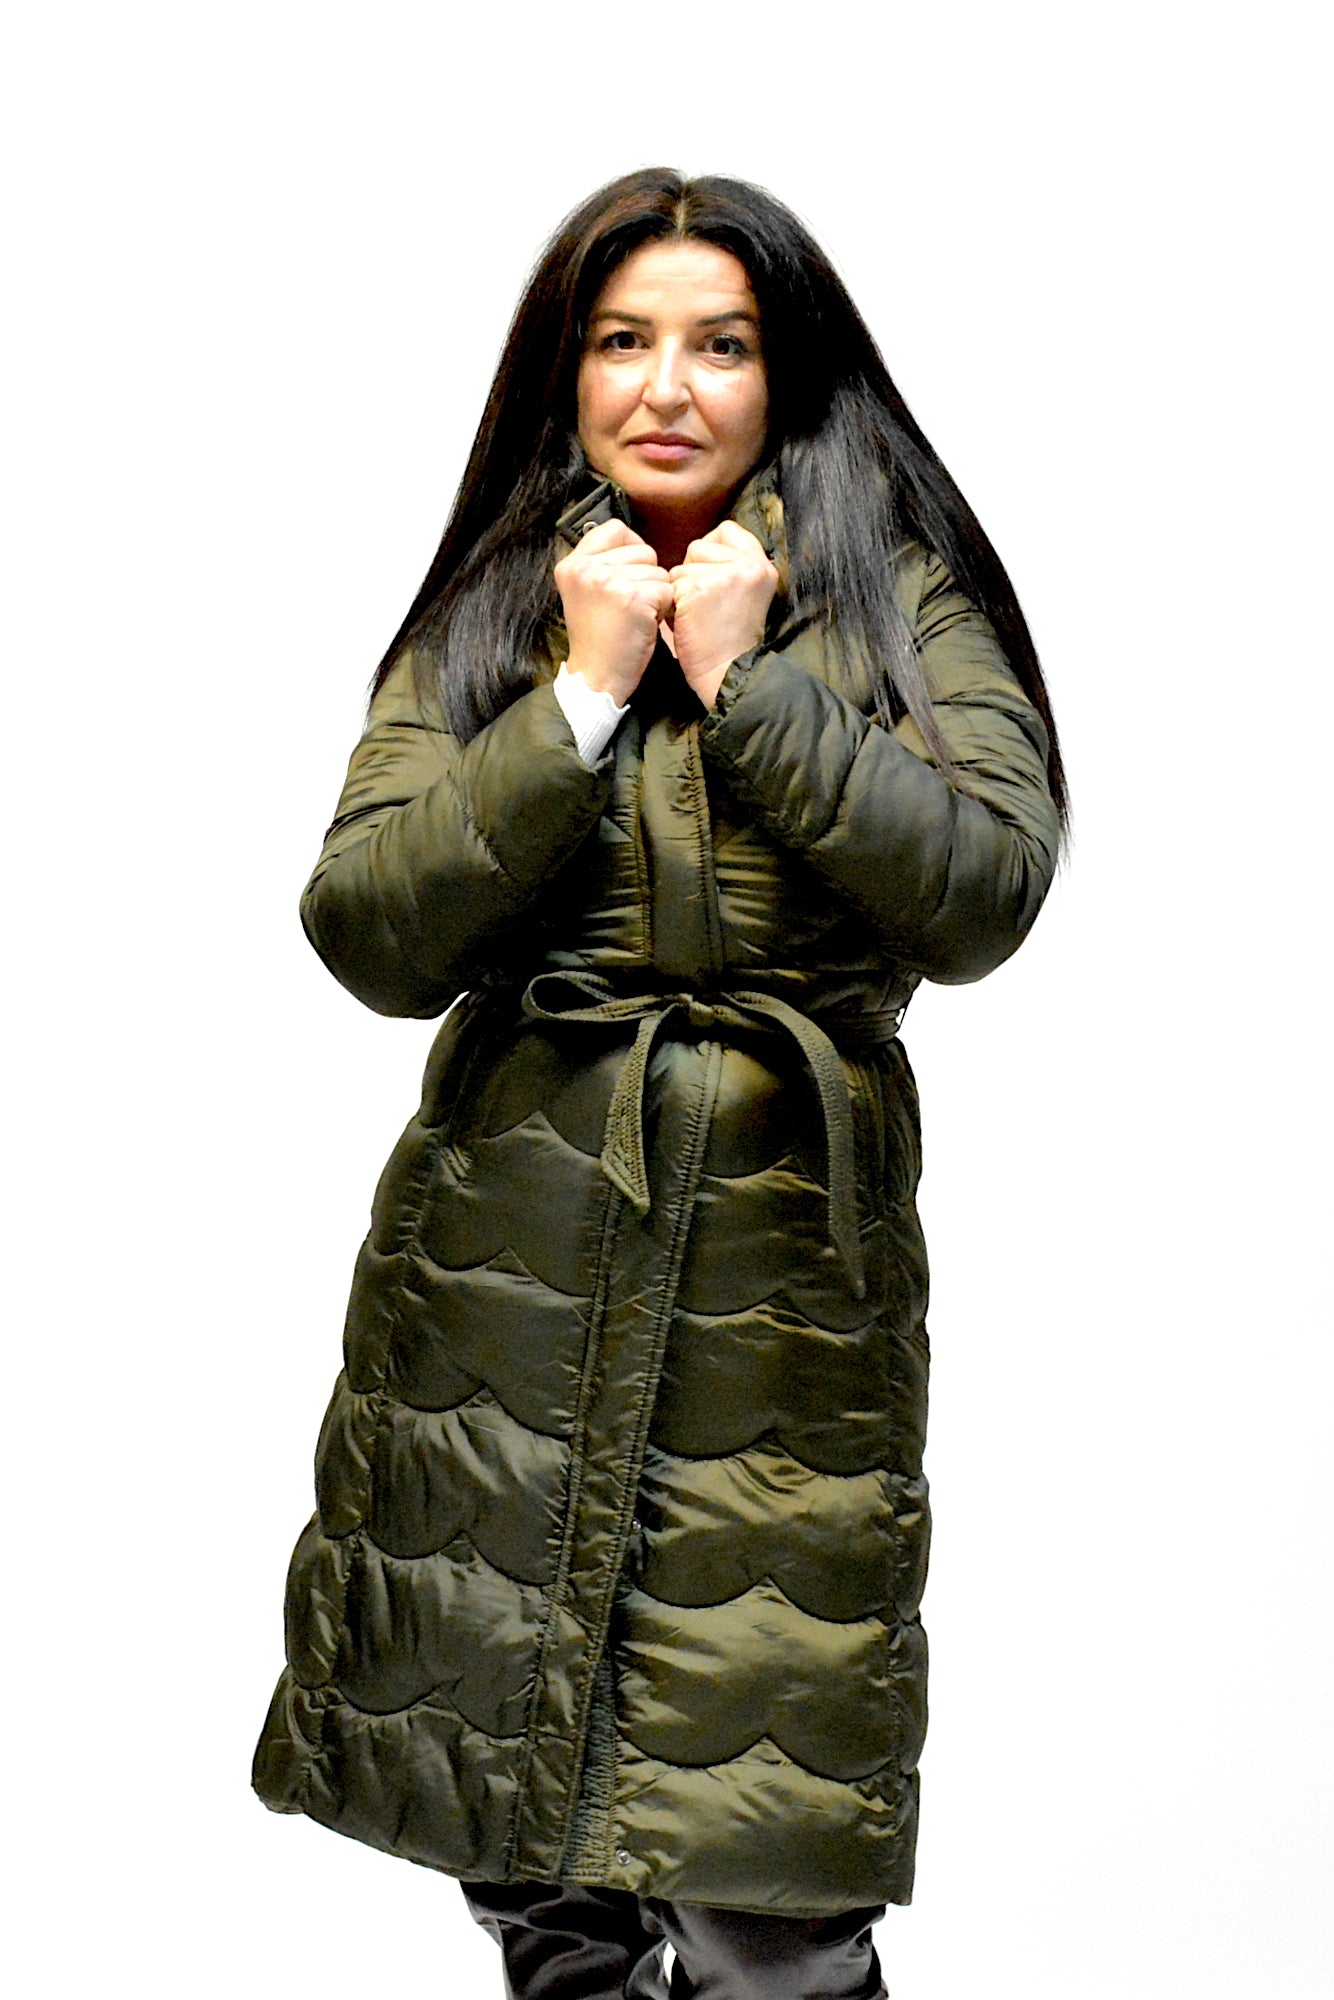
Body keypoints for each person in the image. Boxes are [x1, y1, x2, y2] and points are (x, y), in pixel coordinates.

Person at [252, 167, 1065, 2000]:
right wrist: (578, 701)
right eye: (623, 340)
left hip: (781, 1290)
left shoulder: (896, 600)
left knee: (768, 1869)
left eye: (721, 344)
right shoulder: (500, 612)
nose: (667, 386)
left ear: (789, 375)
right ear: (569, 368)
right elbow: (367, 930)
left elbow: (984, 894)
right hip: (508, 1262)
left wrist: (753, 686)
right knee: (531, 1853)